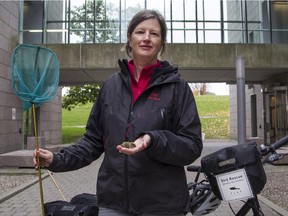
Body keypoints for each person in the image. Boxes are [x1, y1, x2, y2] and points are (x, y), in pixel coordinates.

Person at [34, 9, 203, 216]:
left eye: (154, 34)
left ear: (161, 43)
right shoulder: (110, 86)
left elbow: (192, 146)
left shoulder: (178, 88)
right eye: (140, 32)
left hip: (162, 205)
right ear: (130, 39)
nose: (147, 38)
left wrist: (153, 139)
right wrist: (56, 160)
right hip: (113, 203)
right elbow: (92, 142)